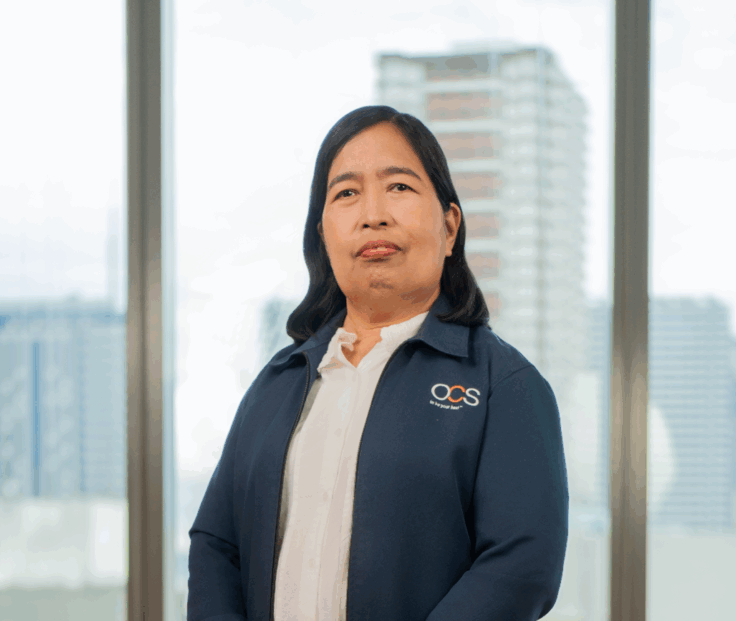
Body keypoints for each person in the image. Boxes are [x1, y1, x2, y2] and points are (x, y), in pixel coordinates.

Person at [187, 105, 568, 621]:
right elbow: (216, 543)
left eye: (399, 187)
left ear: (449, 226)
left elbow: (522, 565)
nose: (373, 215)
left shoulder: (505, 386)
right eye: (346, 193)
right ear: (323, 233)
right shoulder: (278, 382)